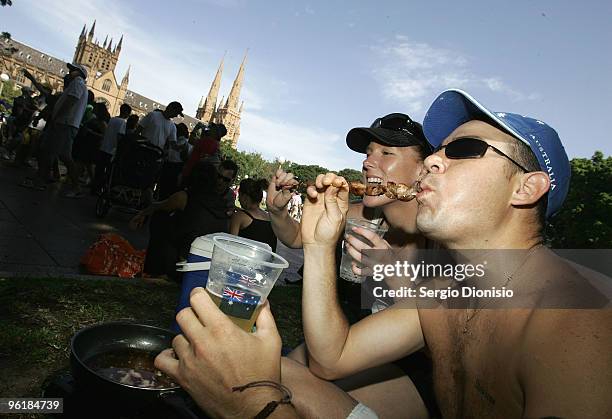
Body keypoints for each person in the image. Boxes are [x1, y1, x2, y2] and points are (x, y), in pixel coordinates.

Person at [155, 89, 611, 418]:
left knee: (256, 388)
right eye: (440, 150)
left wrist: (254, 409)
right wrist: (317, 245)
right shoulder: (451, 289)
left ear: (526, 188)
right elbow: (331, 358)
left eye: (463, 151)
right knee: (269, 370)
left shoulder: (578, 317)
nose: (435, 160)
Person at [131, 160, 238, 279]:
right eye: (219, 177)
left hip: (183, 264)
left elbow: (160, 206)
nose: (220, 181)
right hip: (206, 265)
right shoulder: (223, 204)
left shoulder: (185, 197)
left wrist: (142, 214)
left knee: (160, 217)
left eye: (225, 179)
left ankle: (154, 269)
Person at [22, 63, 89, 197]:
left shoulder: (78, 83)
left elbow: (71, 101)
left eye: (73, 70)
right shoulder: (76, 84)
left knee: (48, 152)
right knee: (63, 156)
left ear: (80, 73)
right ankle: (75, 187)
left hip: (64, 124)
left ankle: (40, 181)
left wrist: (56, 117)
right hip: (66, 124)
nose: (70, 72)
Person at [92, 103, 132, 194]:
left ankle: (94, 188)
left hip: (104, 148)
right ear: (126, 113)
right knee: (108, 173)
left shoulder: (112, 119)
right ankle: (101, 190)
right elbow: (119, 137)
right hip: (111, 151)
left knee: (99, 170)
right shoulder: (122, 123)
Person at [230, 178, 278, 252]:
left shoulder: (239, 217)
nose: (239, 199)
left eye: (239, 196)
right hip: (266, 261)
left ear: (245, 197)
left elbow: (230, 243)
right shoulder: (270, 218)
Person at [158, 122, 191, 199]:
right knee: (166, 188)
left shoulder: (182, 142)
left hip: (174, 166)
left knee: (165, 188)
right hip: (173, 166)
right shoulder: (182, 141)